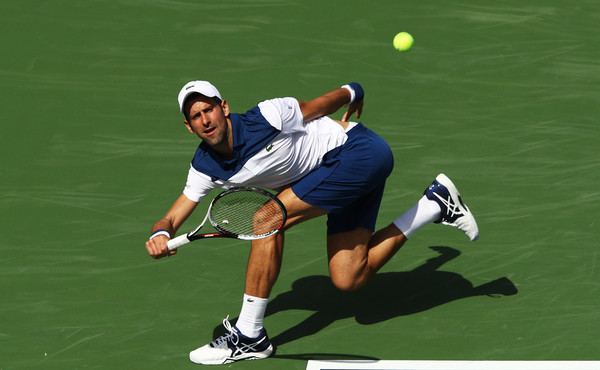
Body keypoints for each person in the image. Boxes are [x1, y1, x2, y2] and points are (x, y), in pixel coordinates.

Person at [145, 80, 479, 365]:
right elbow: (173, 215)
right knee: (349, 277)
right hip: (336, 178)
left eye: (209, 109)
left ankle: (249, 335)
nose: (205, 119)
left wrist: (352, 91)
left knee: (266, 217)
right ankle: (434, 204)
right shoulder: (205, 167)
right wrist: (161, 233)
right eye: (196, 116)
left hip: (359, 152)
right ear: (189, 127)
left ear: (225, 108)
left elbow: (319, 106)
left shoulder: (269, 115)